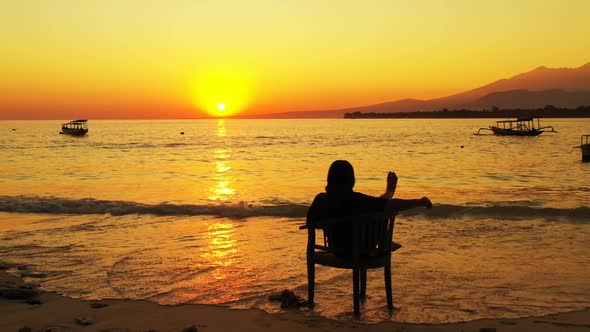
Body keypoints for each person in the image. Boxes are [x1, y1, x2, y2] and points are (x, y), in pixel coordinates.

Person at [306, 160, 432, 255]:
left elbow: (310, 223)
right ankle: (385, 241)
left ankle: (388, 193)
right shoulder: (356, 200)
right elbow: (390, 205)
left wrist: (330, 222)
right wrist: (418, 202)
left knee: (377, 207)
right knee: (380, 211)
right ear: (352, 181)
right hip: (363, 250)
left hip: (335, 250)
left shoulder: (320, 199)